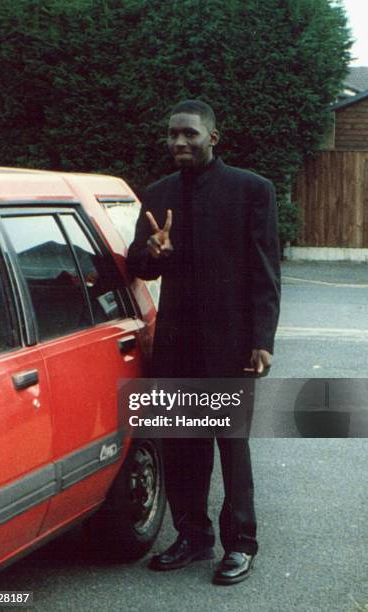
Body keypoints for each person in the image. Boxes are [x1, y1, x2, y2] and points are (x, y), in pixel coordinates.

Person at [127, 100, 281, 585]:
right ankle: (193, 537)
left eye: (189, 134)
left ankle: (241, 544)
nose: (178, 143)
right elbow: (138, 264)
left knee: (232, 447)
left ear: (213, 137)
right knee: (182, 445)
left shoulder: (251, 190)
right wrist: (153, 252)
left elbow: (265, 272)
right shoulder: (157, 194)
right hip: (176, 343)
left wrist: (262, 339)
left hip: (231, 345)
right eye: (173, 134)